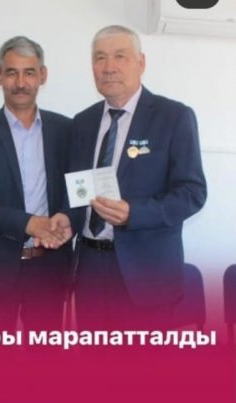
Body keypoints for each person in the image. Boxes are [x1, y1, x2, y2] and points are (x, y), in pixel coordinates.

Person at [54, 25, 207, 330]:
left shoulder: (173, 117)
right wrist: (65, 217)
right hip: (89, 271)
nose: (108, 67)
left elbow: (192, 193)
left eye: (120, 56)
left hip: (147, 276)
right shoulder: (82, 122)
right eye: (100, 58)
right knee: (94, 360)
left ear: (141, 62)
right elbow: (79, 190)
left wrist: (133, 212)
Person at [0, 36, 72, 332]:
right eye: (11, 73)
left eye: (29, 72)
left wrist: (67, 218)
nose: (20, 83)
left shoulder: (67, 130)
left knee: (45, 357)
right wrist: (29, 224)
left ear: (42, 75)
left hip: (50, 270)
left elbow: (77, 192)